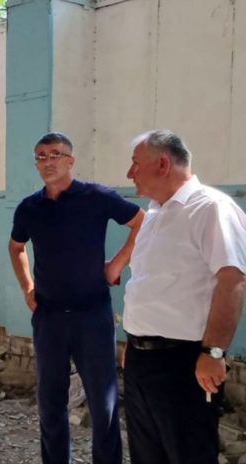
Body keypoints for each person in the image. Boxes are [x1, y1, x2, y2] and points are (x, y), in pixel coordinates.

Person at [8, 132, 144, 464]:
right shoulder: (29, 208)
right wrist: (27, 287)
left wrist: (116, 265)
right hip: (49, 316)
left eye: (55, 154)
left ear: (71, 160)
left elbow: (142, 222)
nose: (48, 161)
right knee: (50, 403)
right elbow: (16, 247)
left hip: (92, 314)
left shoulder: (96, 197)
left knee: (103, 403)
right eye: (41, 156)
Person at [123, 129, 246, 463]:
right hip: (141, 361)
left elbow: (232, 280)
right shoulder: (155, 214)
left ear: (163, 164)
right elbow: (148, 283)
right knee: (146, 453)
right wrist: (134, 342)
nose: (130, 173)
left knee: (188, 453)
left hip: (185, 362)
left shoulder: (210, 208)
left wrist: (214, 351)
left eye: (135, 164)